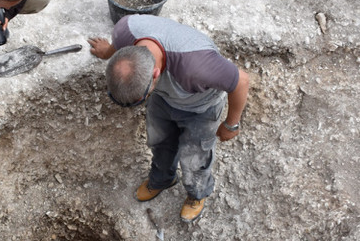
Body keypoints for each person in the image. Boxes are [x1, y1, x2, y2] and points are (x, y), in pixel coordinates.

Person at [88, 14, 249, 222]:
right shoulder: (125, 29)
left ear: (155, 75)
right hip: (164, 99)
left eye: (140, 98)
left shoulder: (198, 66)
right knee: (159, 142)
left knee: (195, 158)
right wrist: (109, 51)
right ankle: (162, 179)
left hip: (200, 109)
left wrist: (231, 124)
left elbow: (241, 81)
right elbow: (118, 49)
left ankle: (196, 194)